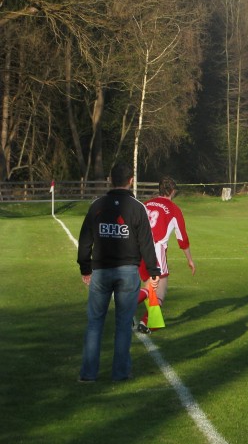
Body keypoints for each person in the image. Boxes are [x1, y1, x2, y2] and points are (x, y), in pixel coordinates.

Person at [77, 162, 161, 382]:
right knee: (123, 324)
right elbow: (146, 243)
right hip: (128, 272)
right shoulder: (137, 207)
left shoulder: (97, 205)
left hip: (101, 271)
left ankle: (88, 374)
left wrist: (85, 267)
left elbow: (85, 240)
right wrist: (154, 271)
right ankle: (120, 374)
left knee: (95, 323)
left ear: (109, 180)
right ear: (131, 180)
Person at [135, 176, 196, 334]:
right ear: (172, 191)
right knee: (159, 288)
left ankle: (147, 322)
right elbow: (182, 238)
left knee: (148, 286)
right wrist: (189, 259)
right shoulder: (174, 209)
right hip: (155, 249)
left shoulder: (146, 204)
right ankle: (134, 313)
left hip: (136, 248)